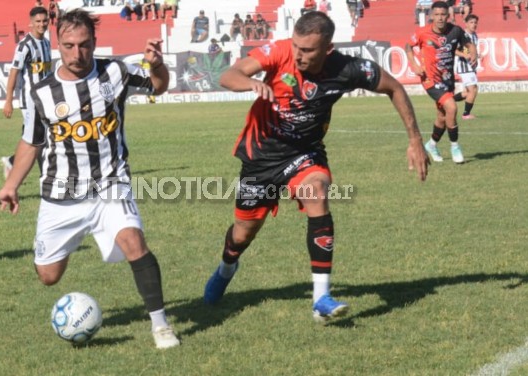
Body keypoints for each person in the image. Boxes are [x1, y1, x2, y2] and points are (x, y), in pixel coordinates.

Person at [203, 11, 429, 323]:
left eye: (308, 50)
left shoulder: (348, 68)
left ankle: (321, 297)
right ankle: (227, 267)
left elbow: (394, 88)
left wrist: (415, 139)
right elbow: (228, 75)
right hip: (262, 156)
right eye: (297, 46)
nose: (299, 54)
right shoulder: (279, 51)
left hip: (305, 153)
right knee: (243, 234)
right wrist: (252, 84)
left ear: (328, 48)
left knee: (317, 191)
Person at [0, 9, 180, 349]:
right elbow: (32, 141)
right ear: (58, 44)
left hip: (110, 183)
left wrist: (155, 65)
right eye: (68, 45)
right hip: (60, 194)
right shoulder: (42, 92)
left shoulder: (115, 71)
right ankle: (74, 237)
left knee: (133, 241)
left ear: (94, 42)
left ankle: (161, 326)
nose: (76, 53)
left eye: (83, 45)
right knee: (48, 277)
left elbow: (159, 86)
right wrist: (11, 185)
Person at [406, 1, 477, 164]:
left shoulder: (455, 31)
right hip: (430, 80)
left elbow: (467, 44)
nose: (439, 18)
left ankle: (431, 145)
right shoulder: (423, 32)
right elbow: (408, 46)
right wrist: (414, 64)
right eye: (436, 14)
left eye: (443, 14)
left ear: (448, 15)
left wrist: (472, 52)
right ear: (431, 15)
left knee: (442, 116)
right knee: (452, 107)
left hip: (447, 80)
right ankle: (455, 147)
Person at [1, 6, 51, 179]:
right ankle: (15, 163)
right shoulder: (25, 46)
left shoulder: (46, 42)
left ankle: (23, 166)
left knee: (42, 139)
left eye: (44, 21)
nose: (41, 24)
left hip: (44, 100)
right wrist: (8, 100)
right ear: (30, 23)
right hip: (29, 100)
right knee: (36, 140)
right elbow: (14, 72)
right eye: (38, 21)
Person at [454, 14, 479, 120]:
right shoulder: (462, 35)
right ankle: (466, 114)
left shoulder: (475, 35)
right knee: (473, 90)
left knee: (468, 92)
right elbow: (453, 50)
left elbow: (472, 51)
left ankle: (446, 101)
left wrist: (476, 59)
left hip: (471, 67)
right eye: (471, 22)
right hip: (464, 67)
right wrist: (464, 55)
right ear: (466, 23)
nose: (474, 24)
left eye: (475, 22)